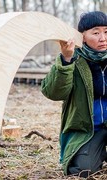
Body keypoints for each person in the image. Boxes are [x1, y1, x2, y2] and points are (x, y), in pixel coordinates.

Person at [41, 11, 107, 178]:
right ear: (82, 36)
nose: (103, 38)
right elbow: (54, 93)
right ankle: (95, 153)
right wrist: (66, 60)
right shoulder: (74, 59)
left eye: (106, 32)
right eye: (96, 32)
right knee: (84, 170)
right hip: (89, 130)